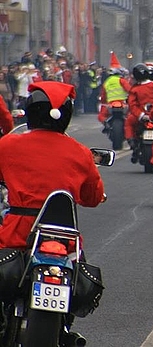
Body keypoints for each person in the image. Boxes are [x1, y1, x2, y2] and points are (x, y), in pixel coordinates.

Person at [0, 81, 106, 249]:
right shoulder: (81, 152)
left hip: (18, 234)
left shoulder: (8, 144)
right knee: (77, 266)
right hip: (64, 237)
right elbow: (92, 198)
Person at [125, 63, 153, 163]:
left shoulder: (134, 89)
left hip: (141, 117)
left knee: (129, 123)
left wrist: (141, 115)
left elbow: (132, 105)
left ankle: (132, 142)